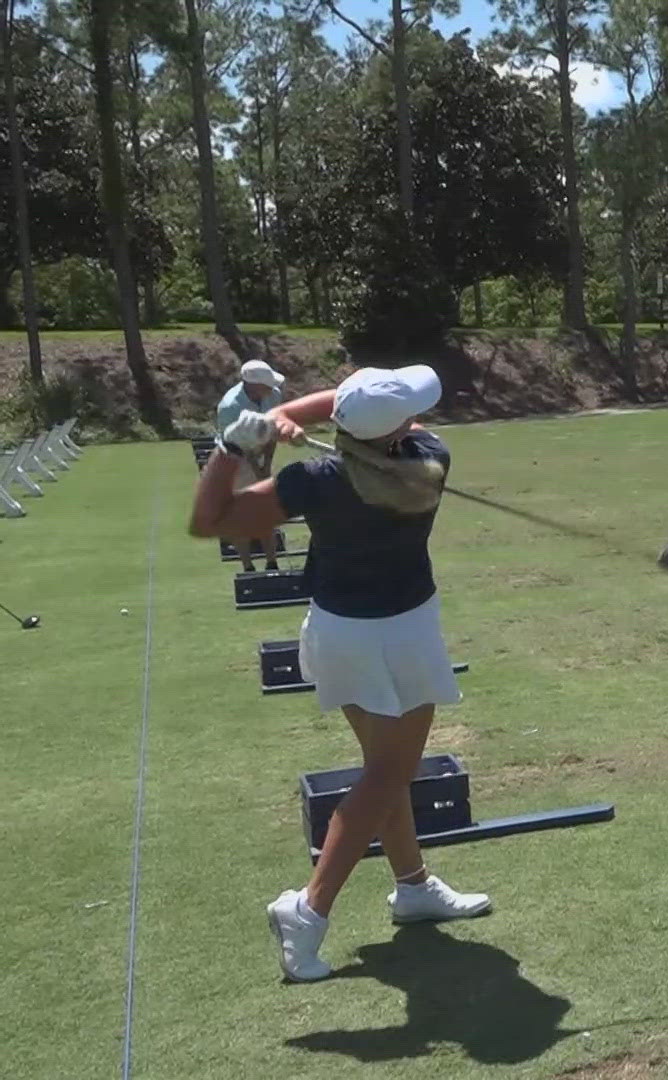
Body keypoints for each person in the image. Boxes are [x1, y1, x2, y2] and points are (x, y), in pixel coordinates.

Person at [189, 364, 491, 983]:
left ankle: (412, 886)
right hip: (403, 633)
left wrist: (235, 446)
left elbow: (208, 520)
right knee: (387, 772)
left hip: (337, 633)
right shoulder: (430, 456)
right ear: (397, 430)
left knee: (386, 769)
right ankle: (308, 909)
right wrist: (292, 420)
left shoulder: (312, 480)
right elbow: (361, 414)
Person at [215, 359, 289, 573]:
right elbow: (239, 443)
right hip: (234, 456)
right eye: (267, 384)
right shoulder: (230, 407)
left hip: (260, 450)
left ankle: (272, 562)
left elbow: (272, 431)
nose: (272, 388)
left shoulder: (273, 395)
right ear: (252, 385)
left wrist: (267, 464)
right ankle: (248, 566)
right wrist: (258, 471)